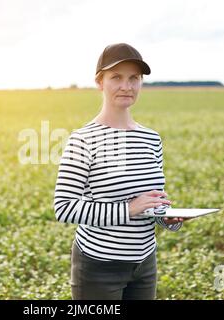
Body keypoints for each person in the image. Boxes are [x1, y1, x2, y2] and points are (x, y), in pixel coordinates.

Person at [53, 43, 190, 300]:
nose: (127, 86)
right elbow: (64, 207)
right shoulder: (83, 140)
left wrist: (166, 218)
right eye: (116, 77)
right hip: (99, 267)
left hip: (144, 263)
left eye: (134, 78)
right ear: (100, 82)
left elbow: (150, 201)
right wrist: (129, 208)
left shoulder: (151, 138)